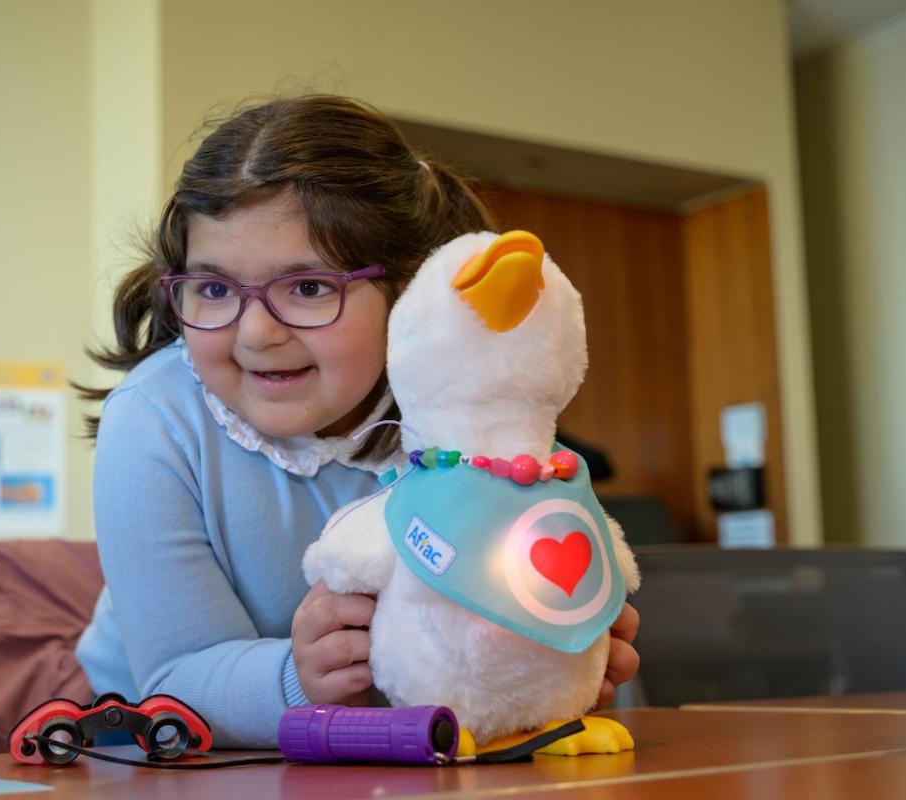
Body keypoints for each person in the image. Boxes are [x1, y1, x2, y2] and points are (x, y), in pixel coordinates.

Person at [74, 95, 641, 748]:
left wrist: (548, 666)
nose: (255, 332)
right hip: (152, 752)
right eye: (215, 289)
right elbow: (173, 675)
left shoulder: (465, 414)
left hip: (409, 757)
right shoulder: (153, 418)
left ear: (407, 288)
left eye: (309, 288)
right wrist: (302, 678)